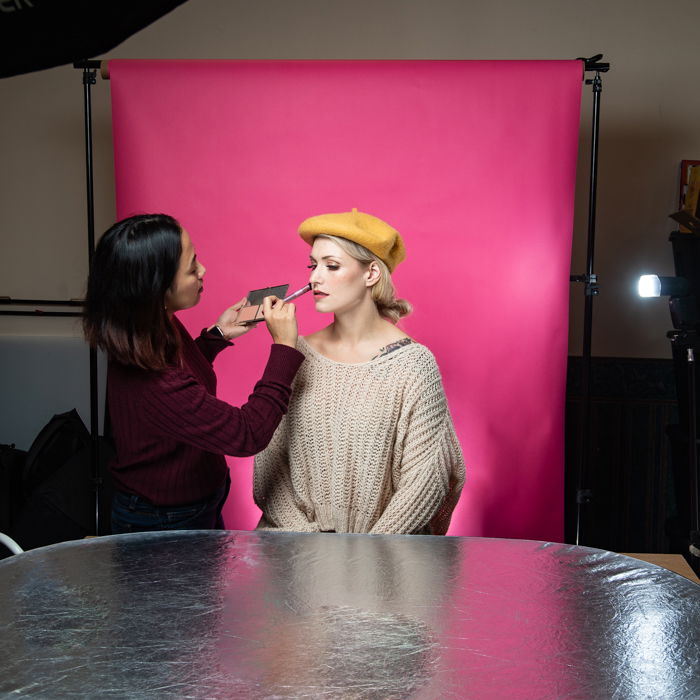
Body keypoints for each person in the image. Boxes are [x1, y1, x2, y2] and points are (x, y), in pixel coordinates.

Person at [83, 213, 304, 533]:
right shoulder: (155, 384)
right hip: (164, 522)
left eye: (196, 258)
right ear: (157, 288)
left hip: (195, 502)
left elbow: (182, 381)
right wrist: (284, 347)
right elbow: (247, 434)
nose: (202, 270)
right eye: (191, 268)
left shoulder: (148, 326)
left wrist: (217, 335)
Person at [253, 208, 465, 534]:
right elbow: (269, 465)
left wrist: (364, 555)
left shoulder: (414, 366)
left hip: (381, 561)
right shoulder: (293, 354)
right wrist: (309, 545)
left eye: (332, 266)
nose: (313, 278)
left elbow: (426, 481)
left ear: (371, 274)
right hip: (292, 556)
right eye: (313, 265)